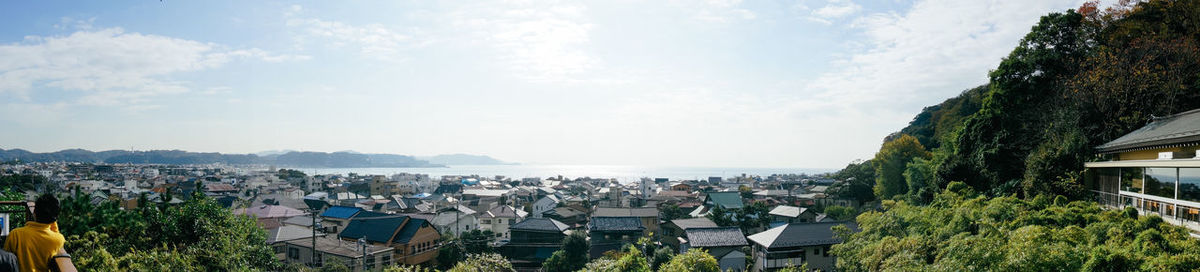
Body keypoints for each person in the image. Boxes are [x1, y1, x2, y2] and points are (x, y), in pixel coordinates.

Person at [3, 194, 65, 272]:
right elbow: (55, 232)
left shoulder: (15, 234)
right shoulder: (58, 240)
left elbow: (6, 261)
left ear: (34, 213)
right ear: (55, 218)